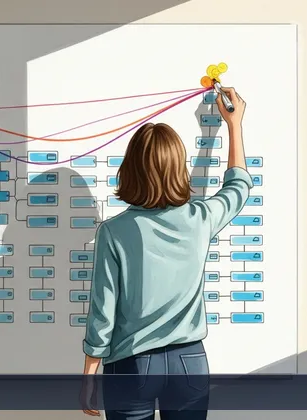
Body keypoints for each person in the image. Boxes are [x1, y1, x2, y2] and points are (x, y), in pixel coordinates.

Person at [79, 87, 251, 420]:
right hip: (190, 363)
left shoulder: (114, 232)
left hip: (132, 365)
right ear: (179, 168)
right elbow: (238, 186)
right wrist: (234, 125)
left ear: (130, 169)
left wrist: (89, 372)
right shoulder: (200, 219)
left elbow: (104, 311)